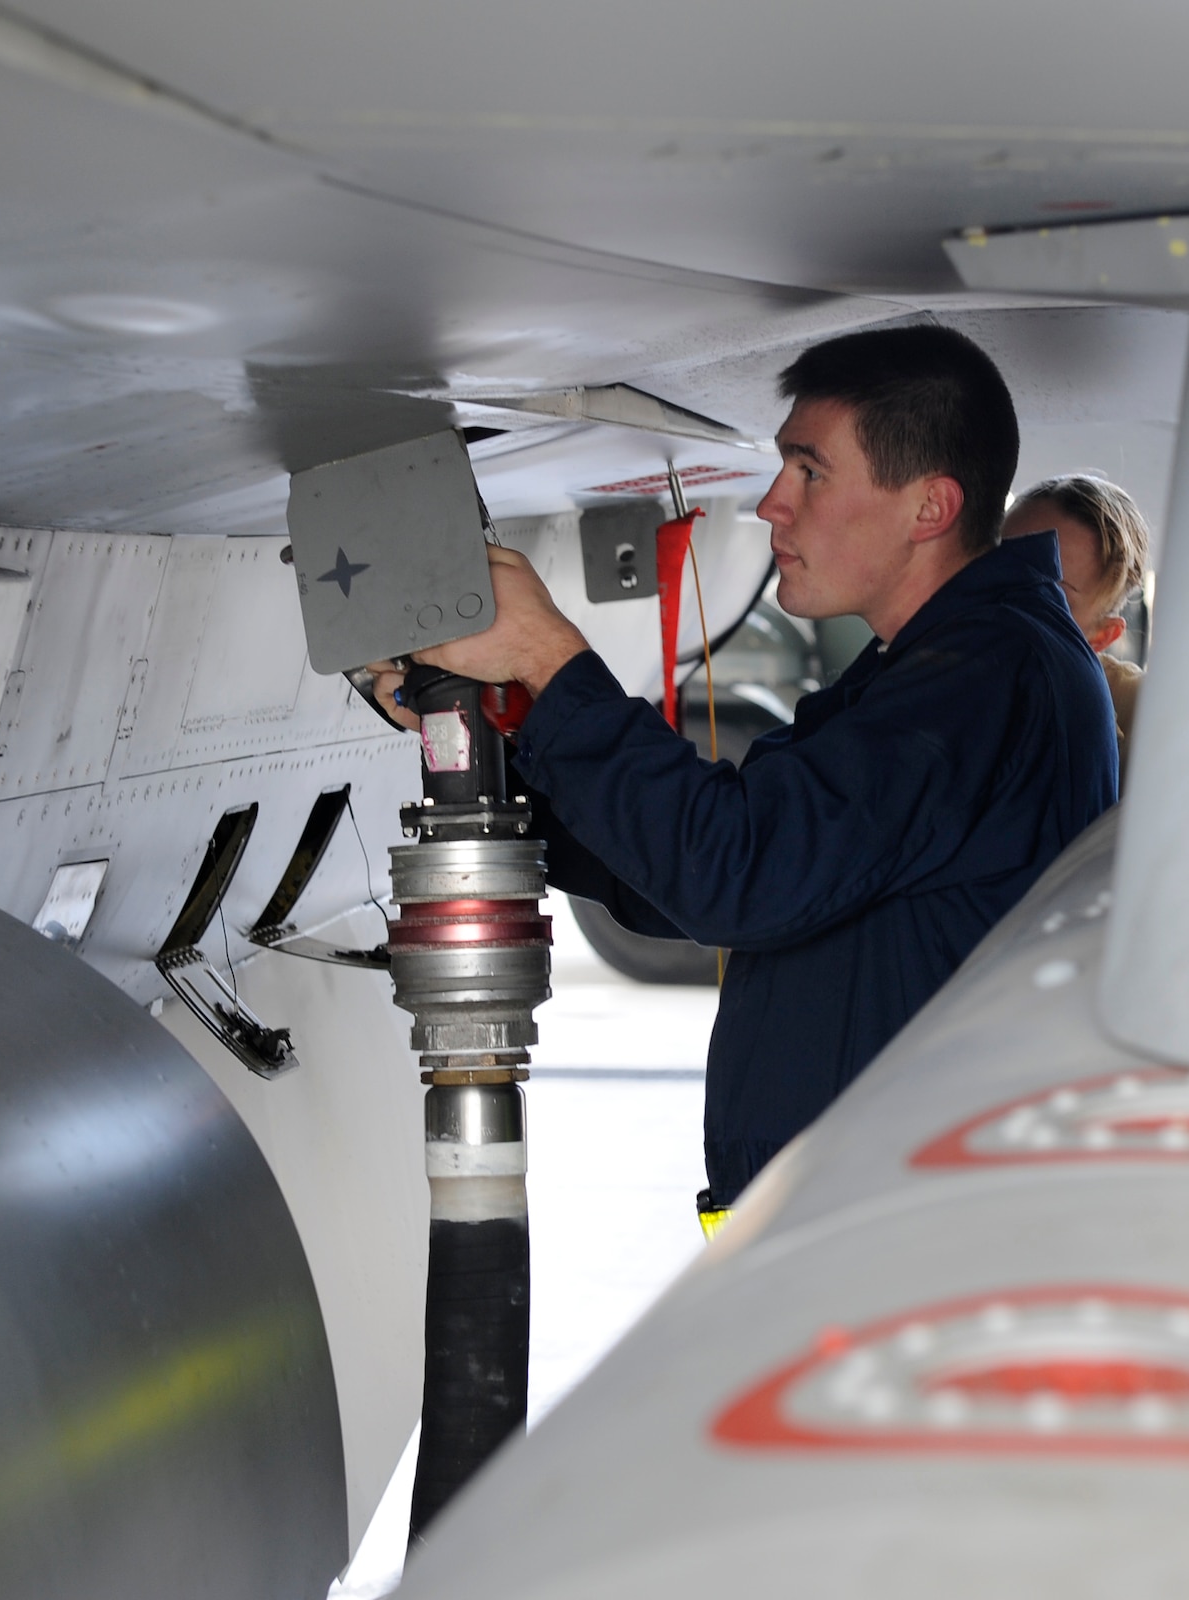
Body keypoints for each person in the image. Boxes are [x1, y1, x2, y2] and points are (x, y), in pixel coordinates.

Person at [375, 325, 1118, 1206]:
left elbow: (738, 871)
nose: (772, 503)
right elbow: (705, 877)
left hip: (884, 1228)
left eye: (810, 471)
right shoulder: (946, 666)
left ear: (929, 507)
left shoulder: (979, 683)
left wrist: (551, 657)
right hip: (868, 1214)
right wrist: (505, 753)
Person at [1001, 474, 1150, 765]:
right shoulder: (925, 659)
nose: (1005, 600)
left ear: (1102, 637)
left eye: (1047, 596)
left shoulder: (1145, 720)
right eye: (999, 566)